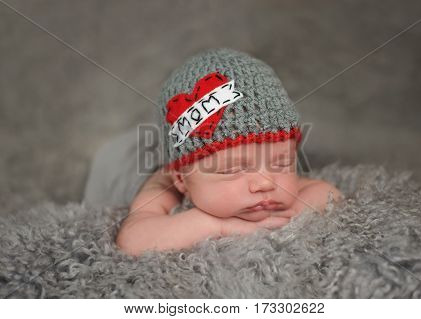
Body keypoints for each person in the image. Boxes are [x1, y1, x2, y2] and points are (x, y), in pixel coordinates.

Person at [108, 48, 342, 255]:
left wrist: (283, 214)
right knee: (118, 154)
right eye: (233, 168)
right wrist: (216, 225)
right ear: (182, 180)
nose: (265, 182)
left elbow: (327, 194)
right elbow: (133, 240)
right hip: (124, 162)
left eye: (281, 162)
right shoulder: (165, 186)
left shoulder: (271, 178)